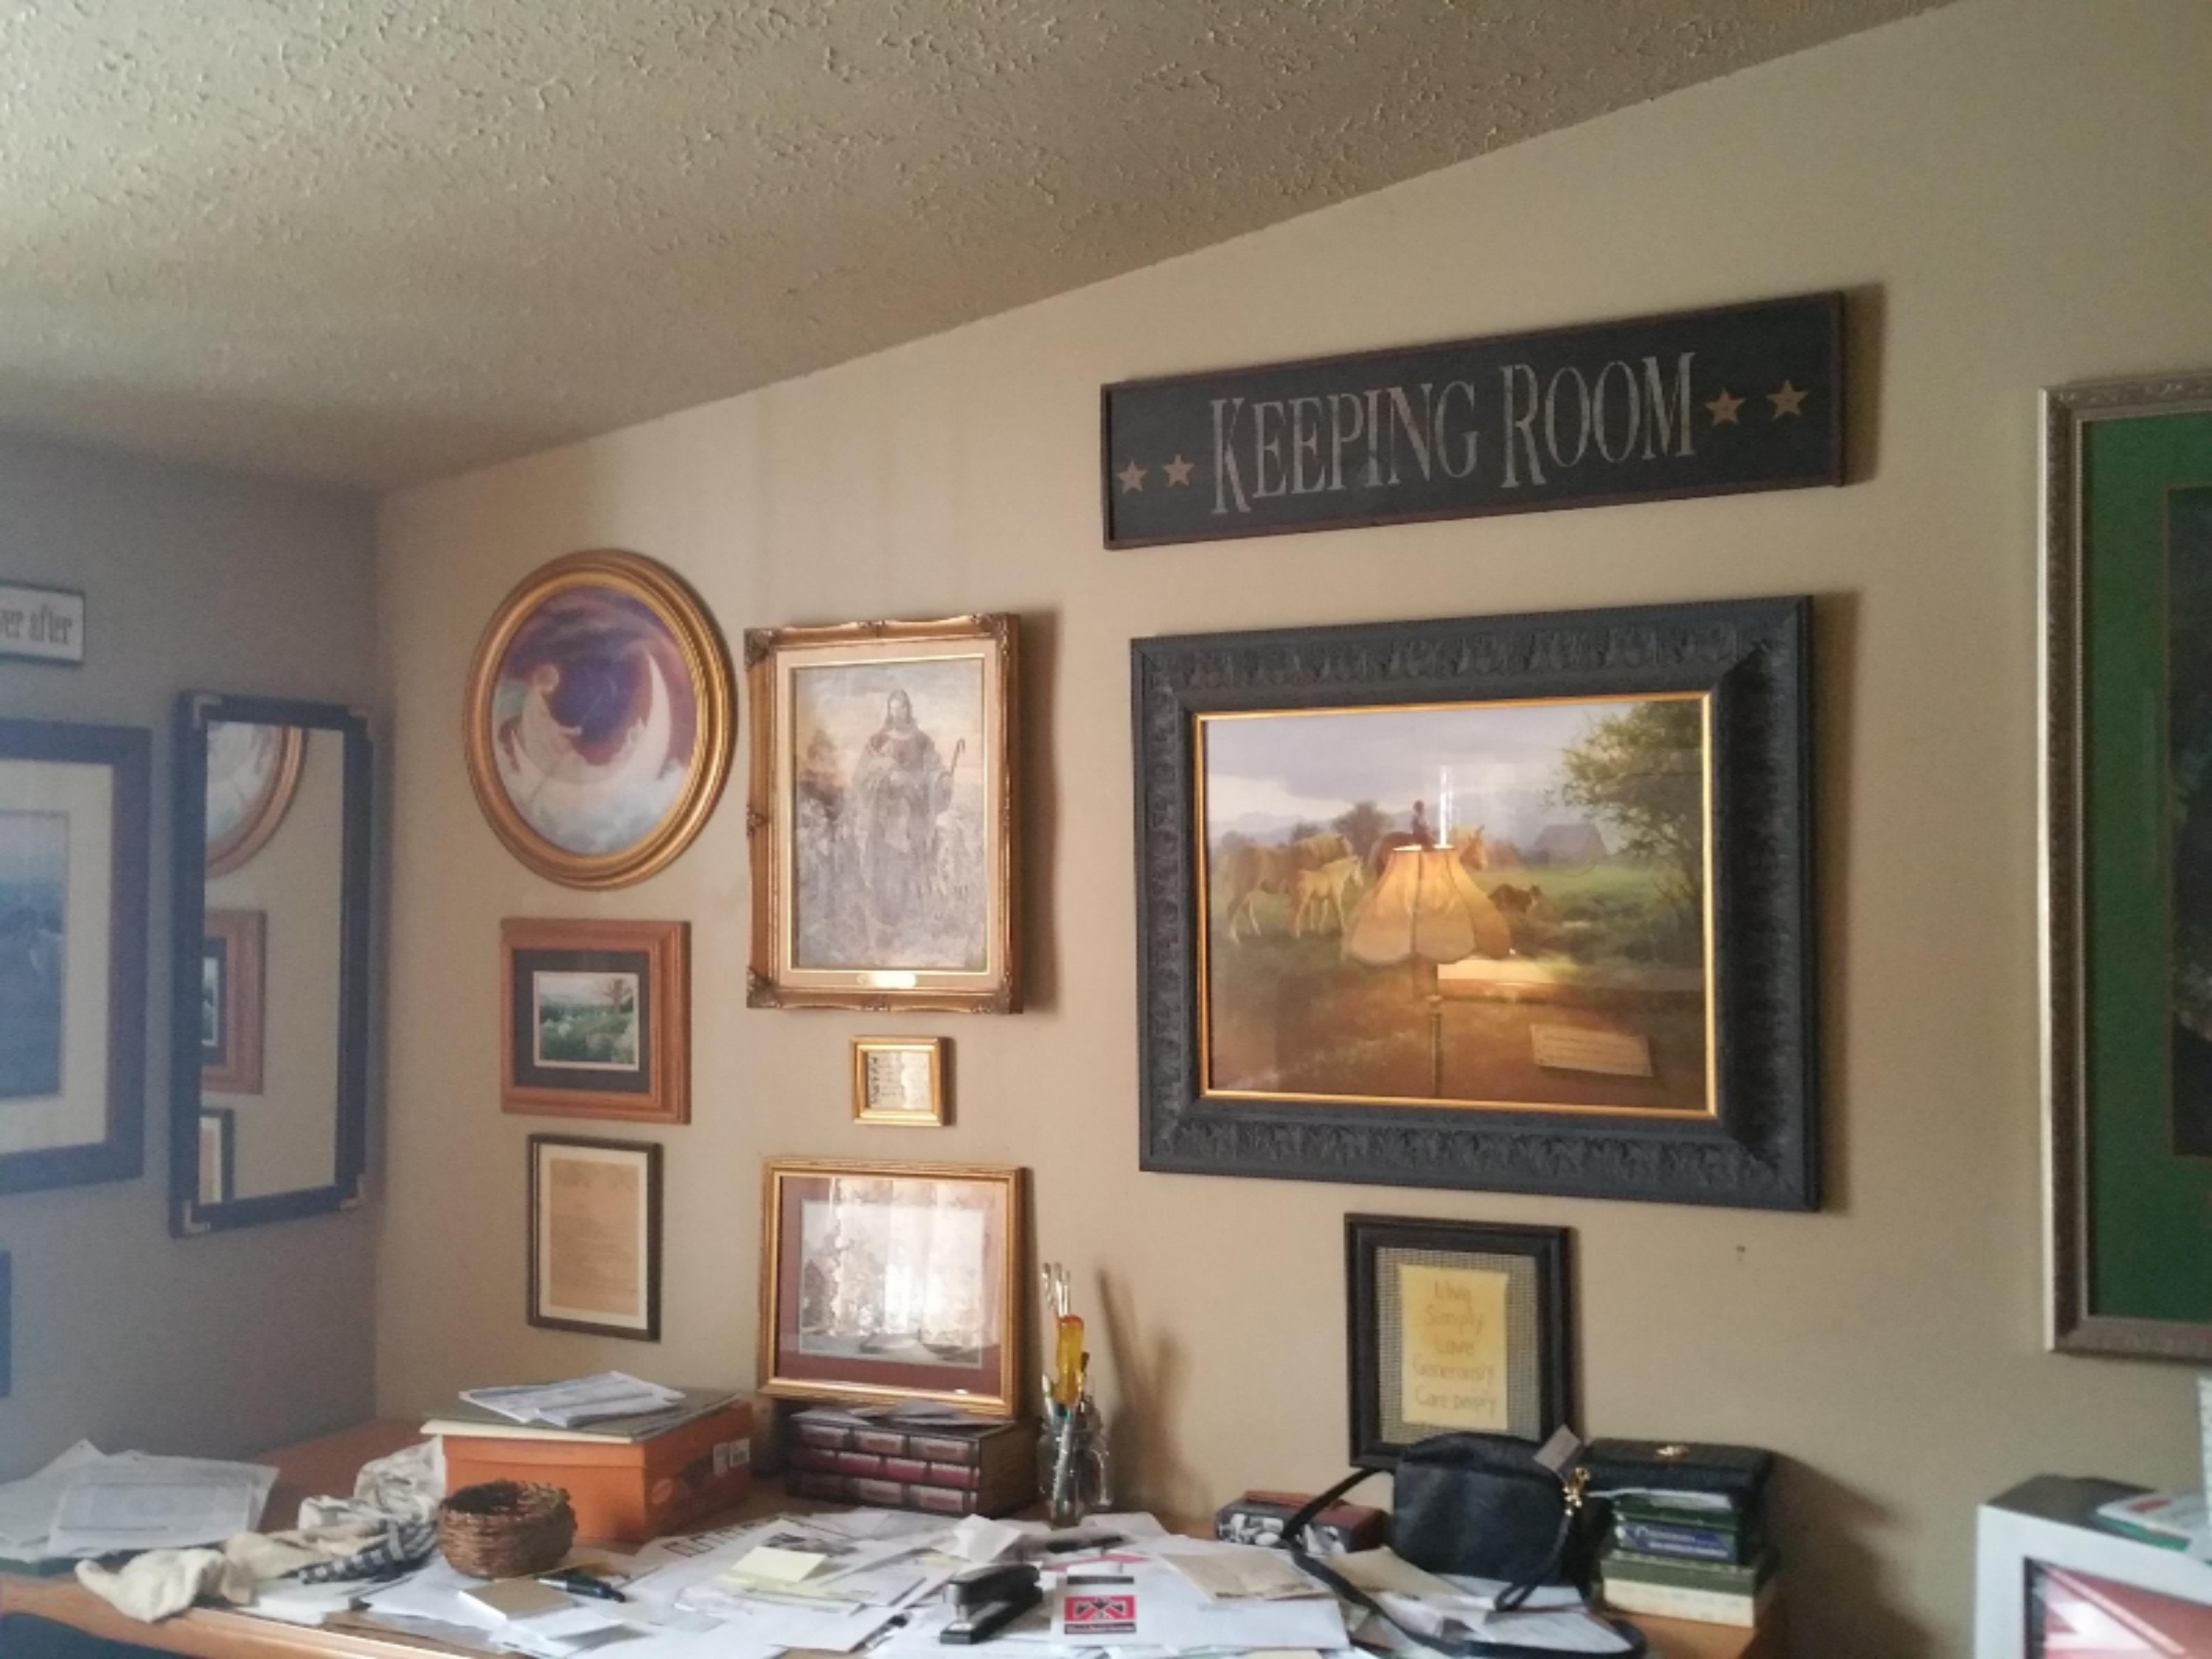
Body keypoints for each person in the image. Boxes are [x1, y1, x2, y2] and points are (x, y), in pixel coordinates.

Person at [849, 689, 954, 944]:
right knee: (887, 867)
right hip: (884, 816)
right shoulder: (877, 741)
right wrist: (887, 776)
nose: (898, 713)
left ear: (909, 709)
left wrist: (941, 779)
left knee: (913, 863)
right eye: (894, 708)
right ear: (889, 710)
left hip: (914, 813)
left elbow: (933, 768)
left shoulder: (922, 741)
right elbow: (861, 776)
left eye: (902, 708)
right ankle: (885, 919)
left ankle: (914, 919)